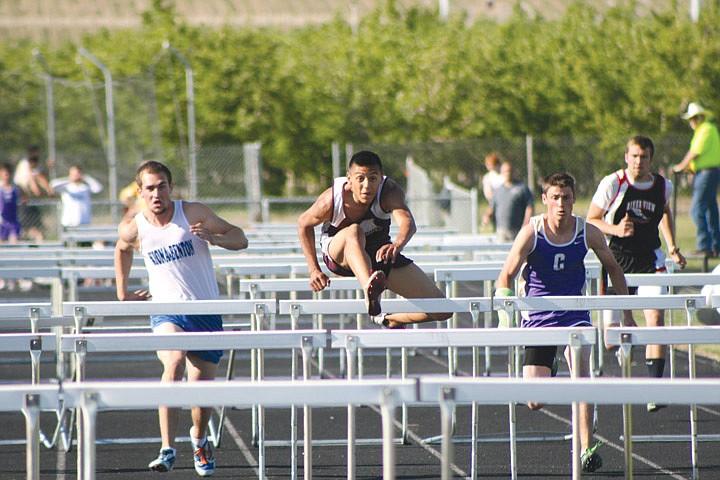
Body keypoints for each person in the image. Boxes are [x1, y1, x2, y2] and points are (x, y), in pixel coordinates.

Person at [114, 161, 248, 476]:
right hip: (166, 310)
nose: (157, 193)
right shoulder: (133, 227)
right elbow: (122, 249)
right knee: (173, 363)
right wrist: (122, 292)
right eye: (150, 188)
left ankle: (199, 439)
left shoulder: (193, 214)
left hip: (204, 311)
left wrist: (216, 240)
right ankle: (167, 448)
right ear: (140, 192)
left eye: (162, 186)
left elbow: (240, 238)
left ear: (170, 188)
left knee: (200, 394)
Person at [495, 172, 635, 473]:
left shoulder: (587, 231)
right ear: (545, 199)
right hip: (539, 318)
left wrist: (627, 314)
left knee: (582, 376)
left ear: (574, 199)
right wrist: (505, 319)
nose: (561, 204)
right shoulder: (532, 232)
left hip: (575, 317)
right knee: (535, 401)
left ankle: (587, 447)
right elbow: (505, 275)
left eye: (567, 198)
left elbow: (613, 267)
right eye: (555, 198)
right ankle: (550, 364)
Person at [587, 135, 687, 412]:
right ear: (626, 157)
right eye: (634, 156)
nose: (638, 162)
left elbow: (665, 212)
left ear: (650, 160)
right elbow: (591, 219)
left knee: (655, 320)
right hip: (616, 261)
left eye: (643, 157)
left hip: (650, 260)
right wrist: (616, 229)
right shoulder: (613, 184)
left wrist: (673, 247)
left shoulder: (662, 186)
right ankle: (622, 347)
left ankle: (654, 388)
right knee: (611, 338)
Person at [297, 150, 451, 328]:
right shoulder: (331, 200)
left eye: (372, 178)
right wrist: (314, 270)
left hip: (378, 255)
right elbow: (303, 224)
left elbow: (407, 222)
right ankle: (369, 288)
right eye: (360, 178)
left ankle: (389, 319)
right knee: (354, 231)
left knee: (443, 309)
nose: (366, 186)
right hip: (339, 254)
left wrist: (397, 245)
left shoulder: (389, 192)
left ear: (380, 178)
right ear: (349, 178)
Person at [673, 102, 720, 257]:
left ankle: (704, 245)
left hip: (706, 173)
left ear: (700, 117)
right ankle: (715, 245)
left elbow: (695, 152)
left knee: (697, 208)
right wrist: (688, 167)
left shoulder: (705, 129)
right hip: (707, 172)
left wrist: (680, 166)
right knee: (710, 209)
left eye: (693, 118)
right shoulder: (705, 129)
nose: (691, 122)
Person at [482, 161, 534, 242]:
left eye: (510, 171)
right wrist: (486, 216)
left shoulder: (522, 188)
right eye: (505, 171)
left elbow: (529, 207)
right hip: (501, 231)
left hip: (518, 230)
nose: (508, 173)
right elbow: (492, 207)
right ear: (502, 173)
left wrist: (526, 223)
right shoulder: (497, 190)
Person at [14, 145, 54, 242]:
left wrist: (49, 168)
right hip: (23, 200)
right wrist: (43, 192)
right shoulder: (25, 164)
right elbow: (33, 181)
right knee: (25, 228)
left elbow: (41, 177)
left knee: (35, 228)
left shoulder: (35, 165)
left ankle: (38, 247)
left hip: (30, 201)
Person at [0, 163, 23, 244]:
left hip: (13, 221)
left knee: (14, 242)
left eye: (8, 173)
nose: (7, 176)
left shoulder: (15, 188)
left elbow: (24, 197)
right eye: (5, 173)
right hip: (1, 221)